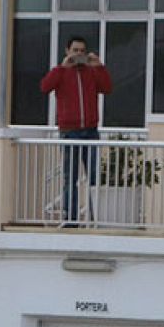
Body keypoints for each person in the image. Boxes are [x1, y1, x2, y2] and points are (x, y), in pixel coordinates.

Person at [40, 36, 112, 227]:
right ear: (67, 51)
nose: (78, 54)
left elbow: (107, 88)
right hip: (69, 131)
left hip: (90, 131)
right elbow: (45, 87)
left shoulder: (91, 72)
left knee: (94, 177)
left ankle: (95, 219)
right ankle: (71, 220)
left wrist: (99, 66)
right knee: (70, 178)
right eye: (75, 50)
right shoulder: (62, 72)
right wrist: (62, 67)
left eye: (82, 51)